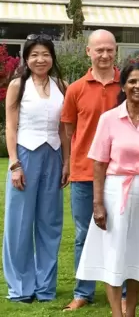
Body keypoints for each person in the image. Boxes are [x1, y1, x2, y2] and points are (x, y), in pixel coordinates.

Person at [75, 63, 139, 317]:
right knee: (115, 253)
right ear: (123, 86)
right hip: (115, 191)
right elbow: (98, 164)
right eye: (132, 81)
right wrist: (98, 204)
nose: (138, 86)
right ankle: (117, 314)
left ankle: (130, 311)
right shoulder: (109, 119)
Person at [60, 29, 123, 312]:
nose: (105, 55)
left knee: (120, 233)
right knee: (84, 233)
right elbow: (71, 129)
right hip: (85, 172)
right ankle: (83, 290)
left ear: (116, 51)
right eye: (99, 50)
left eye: (109, 49)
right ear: (88, 52)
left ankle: (120, 290)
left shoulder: (129, 84)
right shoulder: (75, 89)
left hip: (122, 172)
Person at [3, 35, 67, 303]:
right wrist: (14, 163)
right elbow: (11, 126)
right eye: (34, 55)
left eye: (45, 54)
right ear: (26, 59)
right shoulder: (18, 85)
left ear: (52, 58)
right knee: (19, 223)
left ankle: (45, 287)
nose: (40, 59)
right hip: (25, 156)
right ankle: (20, 286)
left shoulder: (62, 85)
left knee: (50, 224)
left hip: (53, 156)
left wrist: (67, 161)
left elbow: (65, 128)